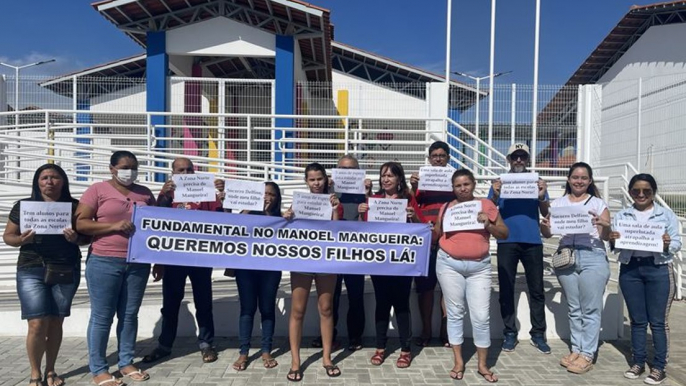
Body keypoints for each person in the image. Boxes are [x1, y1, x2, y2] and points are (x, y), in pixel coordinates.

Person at [75, 151, 157, 386]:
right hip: (104, 260)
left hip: (138, 262)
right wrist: (113, 225)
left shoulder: (144, 193)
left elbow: (158, 226)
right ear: (112, 168)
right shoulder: (97, 190)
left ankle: (126, 361)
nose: (129, 171)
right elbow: (80, 222)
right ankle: (99, 368)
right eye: (124, 167)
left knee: (129, 315)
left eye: (133, 167)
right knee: (102, 316)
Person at [3, 164, 88, 386]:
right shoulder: (23, 206)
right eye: (44, 178)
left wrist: (75, 239)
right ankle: (34, 374)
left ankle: (51, 370)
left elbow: (87, 237)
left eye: (54, 177)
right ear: (37, 182)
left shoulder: (75, 206)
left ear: (63, 181)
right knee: (36, 322)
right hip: (31, 268)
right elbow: (8, 237)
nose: (49, 181)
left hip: (65, 267)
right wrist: (21, 240)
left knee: (55, 321)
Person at [142, 157, 224, 365]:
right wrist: (158, 261)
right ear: (173, 173)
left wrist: (222, 196)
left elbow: (221, 218)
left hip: (200, 257)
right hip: (173, 258)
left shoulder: (205, 192)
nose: (186, 173)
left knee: (203, 302)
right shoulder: (166, 194)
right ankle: (165, 345)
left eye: (189, 169)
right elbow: (156, 225)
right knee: (170, 304)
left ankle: (207, 344)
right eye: (181, 170)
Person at [434, 168, 508, 383]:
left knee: (481, 317)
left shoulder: (486, 205)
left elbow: (504, 232)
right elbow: (437, 233)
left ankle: (483, 364)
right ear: (453, 188)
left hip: (479, 267)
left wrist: (489, 223)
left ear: (473, 184)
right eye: (458, 185)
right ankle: (458, 361)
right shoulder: (446, 207)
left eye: (466, 184)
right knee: (455, 313)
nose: (462, 188)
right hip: (449, 264)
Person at [540, 162, 611, 375]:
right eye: (575, 177)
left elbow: (605, 237)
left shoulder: (598, 204)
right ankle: (577, 349)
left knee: (590, 308)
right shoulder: (559, 203)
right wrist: (545, 226)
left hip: (593, 256)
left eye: (583, 178)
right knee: (574, 308)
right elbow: (548, 234)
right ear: (569, 180)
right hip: (566, 257)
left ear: (589, 181)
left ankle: (587, 353)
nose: (579, 181)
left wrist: (605, 225)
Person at [610, 174, 679, 385]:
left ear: (653, 193)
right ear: (630, 192)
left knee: (658, 322)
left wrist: (667, 243)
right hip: (631, 269)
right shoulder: (622, 215)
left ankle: (659, 367)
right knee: (637, 320)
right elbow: (614, 247)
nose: (641, 195)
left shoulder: (665, 215)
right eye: (636, 191)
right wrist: (613, 241)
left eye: (646, 191)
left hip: (657, 269)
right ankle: (638, 361)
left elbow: (676, 243)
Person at [359, 161, 423, 369]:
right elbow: (363, 231)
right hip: (379, 262)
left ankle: (405, 349)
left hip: (402, 263)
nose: (386, 179)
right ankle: (380, 346)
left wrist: (413, 219)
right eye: (383, 175)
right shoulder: (374, 200)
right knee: (382, 304)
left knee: (402, 305)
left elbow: (422, 230)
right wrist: (362, 211)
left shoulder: (408, 200)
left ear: (399, 179)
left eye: (390, 176)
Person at [488, 143, 551, 353]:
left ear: (527, 160)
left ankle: (538, 334)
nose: (518, 160)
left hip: (532, 241)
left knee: (537, 290)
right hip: (506, 241)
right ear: (508, 159)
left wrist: (542, 194)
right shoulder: (500, 182)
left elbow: (544, 210)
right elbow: (488, 209)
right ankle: (509, 332)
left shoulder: (536, 182)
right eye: (515, 157)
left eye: (522, 157)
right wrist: (495, 194)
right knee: (505, 289)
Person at [283, 162, 341, 382]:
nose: (316, 183)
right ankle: (296, 361)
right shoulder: (298, 202)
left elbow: (338, 231)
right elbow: (288, 228)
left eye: (320, 179)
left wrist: (335, 209)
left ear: (326, 179)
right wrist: (287, 216)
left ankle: (327, 358)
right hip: (302, 260)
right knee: (298, 309)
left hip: (326, 261)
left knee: (326, 308)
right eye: (312, 179)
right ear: (306, 181)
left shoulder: (334, 201)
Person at [315, 155, 371, 352]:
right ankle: (328, 336)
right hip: (331, 249)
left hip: (355, 251)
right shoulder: (328, 188)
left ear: (358, 171)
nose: (348, 173)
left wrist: (369, 193)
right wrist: (326, 188)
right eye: (343, 169)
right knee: (330, 295)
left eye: (352, 170)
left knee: (355, 295)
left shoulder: (364, 190)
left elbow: (378, 214)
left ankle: (355, 337)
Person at [232, 181, 283, 371]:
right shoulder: (247, 213)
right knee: (247, 309)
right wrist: (250, 206)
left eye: (272, 194)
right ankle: (243, 352)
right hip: (246, 268)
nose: (267, 197)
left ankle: (266, 350)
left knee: (267, 309)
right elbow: (234, 228)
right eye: (264, 193)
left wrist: (275, 215)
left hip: (270, 270)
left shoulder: (280, 217)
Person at [410, 141, 454, 347]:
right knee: (425, 289)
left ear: (448, 158)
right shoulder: (420, 181)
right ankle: (426, 331)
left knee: (447, 289)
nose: (438, 158)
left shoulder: (455, 181)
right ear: (429, 159)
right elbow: (412, 204)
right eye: (434, 155)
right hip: (425, 241)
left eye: (442, 155)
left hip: (449, 240)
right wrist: (413, 187)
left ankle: (446, 333)